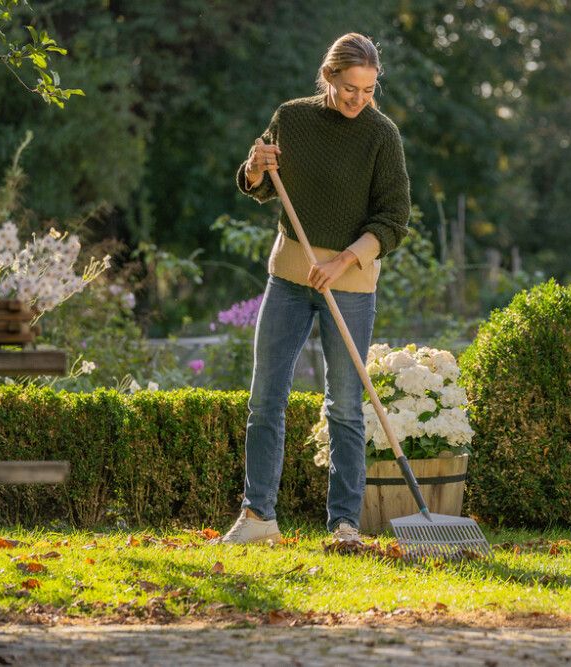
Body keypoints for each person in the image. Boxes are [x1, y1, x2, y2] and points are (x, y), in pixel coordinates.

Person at [212, 33, 410, 545]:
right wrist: (256, 167)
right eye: (350, 89)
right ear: (329, 78)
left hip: (350, 285)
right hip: (289, 281)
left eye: (368, 91)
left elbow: (393, 221)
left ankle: (344, 524)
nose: (358, 100)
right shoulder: (293, 117)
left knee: (344, 405)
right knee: (265, 399)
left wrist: (344, 260)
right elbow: (257, 183)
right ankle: (259, 519)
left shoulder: (382, 135)